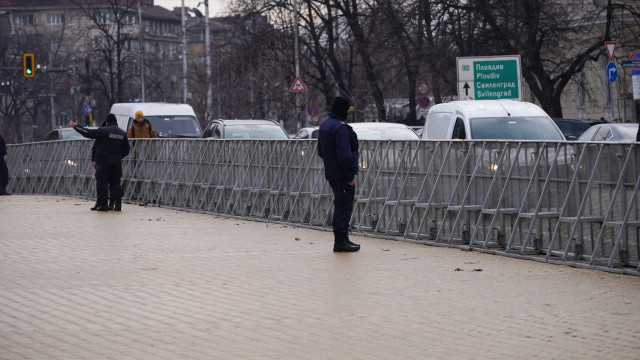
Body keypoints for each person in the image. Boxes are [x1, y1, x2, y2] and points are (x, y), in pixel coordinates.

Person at [317, 96, 360, 252]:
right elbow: (345, 154)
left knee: (340, 203)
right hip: (343, 175)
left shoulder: (325, 124)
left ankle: (343, 239)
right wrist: (350, 176)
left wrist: (331, 163)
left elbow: (320, 151)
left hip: (332, 173)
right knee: (343, 206)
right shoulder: (340, 127)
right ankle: (341, 241)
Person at [69, 114, 130, 211]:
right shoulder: (122, 133)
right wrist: (118, 156)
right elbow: (127, 150)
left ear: (107, 122)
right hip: (116, 163)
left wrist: (76, 127)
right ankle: (118, 206)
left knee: (102, 183)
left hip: (104, 162)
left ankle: (104, 206)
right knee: (115, 183)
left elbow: (88, 133)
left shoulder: (103, 131)